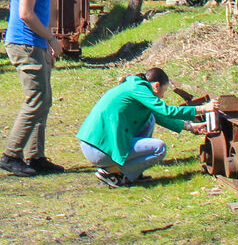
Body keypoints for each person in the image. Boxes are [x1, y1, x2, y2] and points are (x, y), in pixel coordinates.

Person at [0, 0, 76, 177]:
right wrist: (51, 39)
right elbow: (25, 14)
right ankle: (11, 156)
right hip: (24, 44)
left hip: (35, 45)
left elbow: (38, 13)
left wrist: (45, 46)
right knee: (36, 101)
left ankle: (36, 157)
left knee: (45, 100)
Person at [76, 67, 219, 187]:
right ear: (156, 86)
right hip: (99, 149)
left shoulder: (133, 86)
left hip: (95, 145)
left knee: (149, 118)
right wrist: (202, 109)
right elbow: (166, 111)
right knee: (159, 149)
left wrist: (190, 127)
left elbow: (159, 116)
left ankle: (131, 173)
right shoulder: (138, 89)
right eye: (164, 90)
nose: (162, 96)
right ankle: (112, 172)